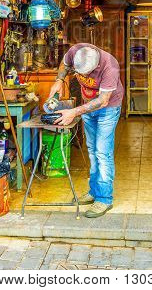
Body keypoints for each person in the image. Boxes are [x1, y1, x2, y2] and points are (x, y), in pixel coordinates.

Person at [48, 43, 123, 218]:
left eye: (85, 74)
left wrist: (74, 112)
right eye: (78, 73)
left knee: (102, 152)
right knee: (92, 150)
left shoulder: (110, 66)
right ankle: (94, 191)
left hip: (108, 109)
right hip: (87, 106)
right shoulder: (77, 51)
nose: (81, 77)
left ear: (96, 66)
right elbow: (64, 64)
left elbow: (103, 101)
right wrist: (59, 80)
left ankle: (104, 199)